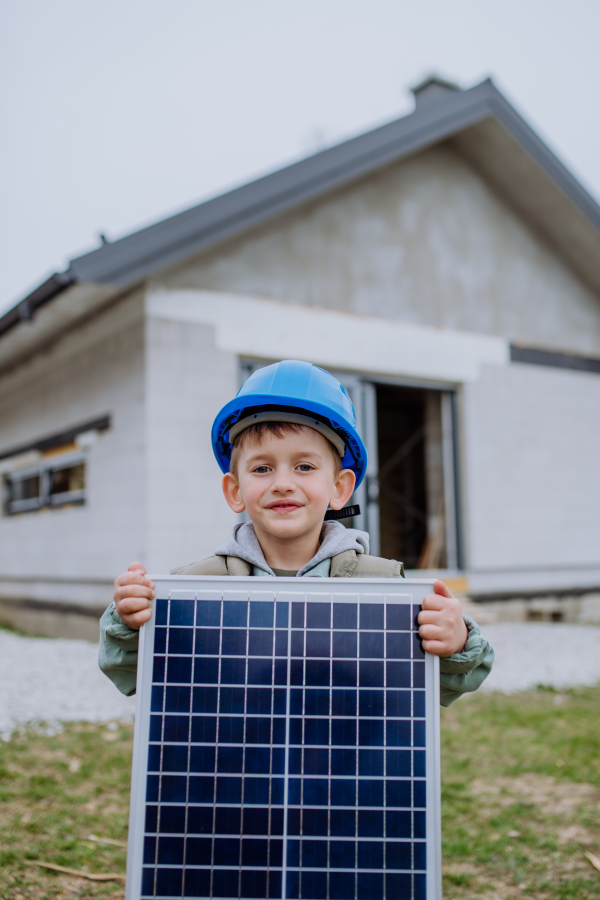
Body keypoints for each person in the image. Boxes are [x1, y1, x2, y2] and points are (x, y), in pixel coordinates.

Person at [99, 360, 493, 704]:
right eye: (262, 468)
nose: (283, 483)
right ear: (234, 491)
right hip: (235, 774)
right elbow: (140, 678)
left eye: (304, 467)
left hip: (342, 774)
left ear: (340, 487)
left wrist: (455, 643)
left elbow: (429, 686)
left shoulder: (382, 587)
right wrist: (131, 624)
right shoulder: (197, 588)